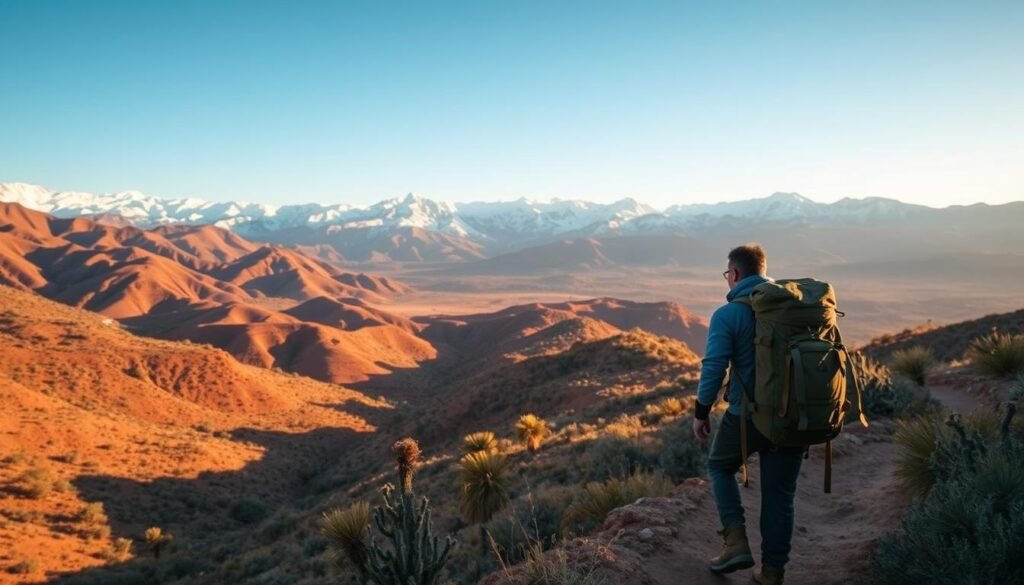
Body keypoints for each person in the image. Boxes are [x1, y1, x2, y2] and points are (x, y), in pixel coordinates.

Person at [691, 244, 804, 585]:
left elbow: (714, 367)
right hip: (795, 418)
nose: (728, 280)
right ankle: (772, 573)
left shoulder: (728, 314)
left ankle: (735, 543)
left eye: (728, 274)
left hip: (748, 416)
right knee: (780, 494)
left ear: (735, 274)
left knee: (719, 466)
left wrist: (701, 412)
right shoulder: (792, 308)